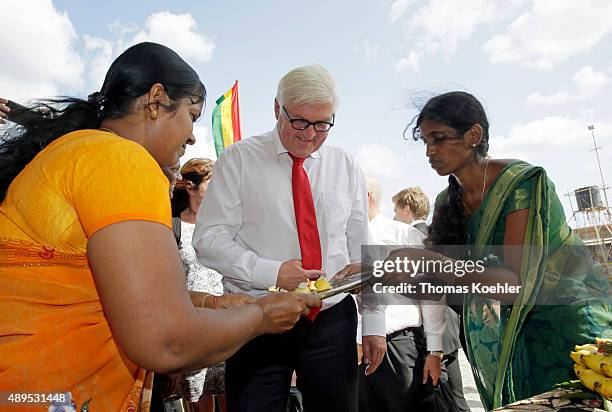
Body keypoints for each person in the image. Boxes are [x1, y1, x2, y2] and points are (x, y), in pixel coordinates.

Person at [0, 42, 318, 411]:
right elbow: (167, 341)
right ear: (155, 101)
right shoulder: (122, 160)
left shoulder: (72, 152)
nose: (192, 136)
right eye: (192, 115)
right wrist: (262, 317)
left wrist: (214, 304)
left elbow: (106, 294)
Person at [383, 91, 611, 409]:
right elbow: (447, 279)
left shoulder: (521, 185)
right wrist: (374, 272)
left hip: (568, 325)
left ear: (474, 135)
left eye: (438, 139)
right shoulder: (446, 202)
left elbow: (514, 283)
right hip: (508, 334)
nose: (429, 152)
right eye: (425, 142)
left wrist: (427, 260)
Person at [192, 64, 386, 412]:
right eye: (299, 121)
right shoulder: (238, 160)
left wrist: (375, 324)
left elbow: (361, 250)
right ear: (276, 109)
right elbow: (208, 239)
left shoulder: (345, 165)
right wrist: (271, 272)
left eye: (322, 123)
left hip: (332, 318)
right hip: (257, 317)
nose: (310, 134)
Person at [358, 176, 447, 412]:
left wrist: (434, 351)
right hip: (351, 350)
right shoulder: (336, 240)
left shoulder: (405, 236)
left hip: (397, 349)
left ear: (365, 197)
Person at [392, 185, 471, 412]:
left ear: (406, 208)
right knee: (456, 397)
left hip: (433, 332)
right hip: (452, 327)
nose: (395, 216)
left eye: (396, 210)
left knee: (440, 399)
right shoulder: (437, 232)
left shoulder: (411, 239)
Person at [171, 158, 229, 411]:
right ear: (191, 188)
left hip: (229, 323)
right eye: (212, 184)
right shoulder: (171, 226)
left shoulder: (227, 226)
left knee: (234, 394)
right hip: (192, 326)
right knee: (198, 399)